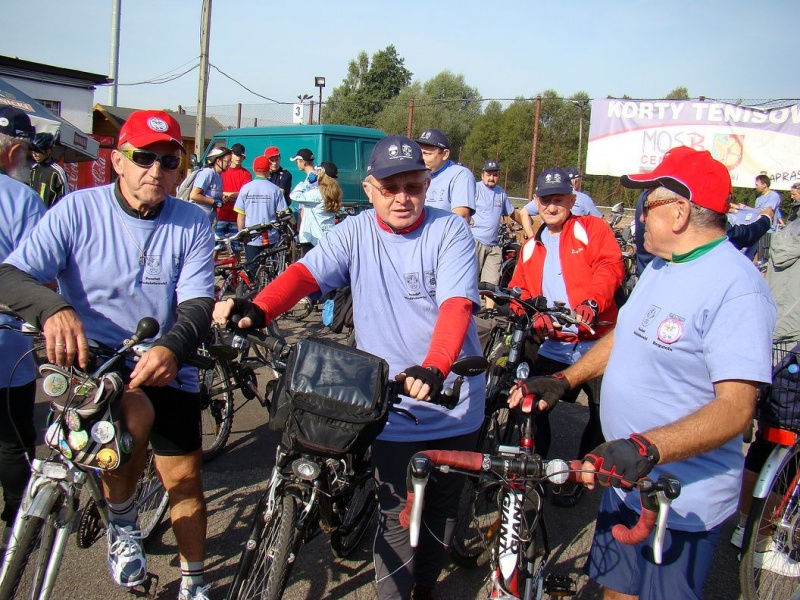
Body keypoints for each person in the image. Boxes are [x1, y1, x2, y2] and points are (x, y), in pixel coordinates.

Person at [213, 135, 484, 600]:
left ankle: (423, 587)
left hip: (450, 397)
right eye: (391, 187)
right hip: (394, 403)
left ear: (427, 184)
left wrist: (436, 367)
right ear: (372, 187)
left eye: (414, 186)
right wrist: (259, 308)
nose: (403, 198)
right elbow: (306, 274)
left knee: (439, 509)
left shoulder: (449, 231)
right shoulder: (356, 230)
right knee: (397, 519)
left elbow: (457, 305)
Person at [509, 146, 776, 600]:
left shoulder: (737, 288)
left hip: (679, 500)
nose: (639, 214)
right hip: (626, 482)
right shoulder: (661, 267)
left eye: (647, 202)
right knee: (615, 590)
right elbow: (623, 335)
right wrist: (566, 379)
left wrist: (647, 447)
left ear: (679, 213)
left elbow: (736, 410)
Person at [0, 109, 215, 600]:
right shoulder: (77, 209)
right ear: (118, 160)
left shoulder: (194, 222)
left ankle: (195, 582)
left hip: (164, 356)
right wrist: (53, 308)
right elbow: (10, 274)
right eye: (143, 158)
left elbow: (199, 303)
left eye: (168, 161)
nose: (155, 172)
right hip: (92, 357)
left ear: (180, 168)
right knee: (129, 415)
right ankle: (123, 522)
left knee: (184, 478)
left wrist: (172, 346)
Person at [508, 167, 624, 507]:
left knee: (603, 413)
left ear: (572, 200)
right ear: (537, 203)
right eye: (545, 199)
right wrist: (531, 311)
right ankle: (536, 469)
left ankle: (580, 473)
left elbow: (610, 266)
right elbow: (520, 289)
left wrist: (592, 302)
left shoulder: (592, 229)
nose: (552, 205)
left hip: (598, 341)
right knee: (531, 406)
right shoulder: (532, 245)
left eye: (559, 199)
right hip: (557, 344)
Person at [730, 209, 800, 560]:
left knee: (769, 442)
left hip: (776, 346)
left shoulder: (785, 236)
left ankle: (746, 525)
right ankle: (762, 538)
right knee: (785, 446)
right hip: (795, 350)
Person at [0, 107, 44, 551]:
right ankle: (18, 527)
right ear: (14, 150)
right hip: (6, 338)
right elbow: (40, 279)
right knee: (12, 440)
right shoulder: (19, 199)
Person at [471, 160, 514, 305]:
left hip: (494, 245)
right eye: (488, 174)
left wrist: (527, 225)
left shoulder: (501, 193)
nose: (491, 178)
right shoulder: (474, 188)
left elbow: (512, 212)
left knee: (492, 283)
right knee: (470, 279)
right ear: (482, 175)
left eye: (495, 175)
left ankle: (489, 315)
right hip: (474, 241)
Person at [233, 155, 287, 265]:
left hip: (251, 237)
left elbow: (241, 215)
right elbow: (283, 213)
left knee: (252, 272)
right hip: (270, 237)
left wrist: (241, 233)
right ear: (269, 170)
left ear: (253, 169)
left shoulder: (245, 188)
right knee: (271, 270)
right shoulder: (275, 189)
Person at [416, 128, 475, 221]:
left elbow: (461, 217)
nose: (422, 158)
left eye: (427, 154)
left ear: (445, 154)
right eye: (420, 153)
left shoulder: (460, 175)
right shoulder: (418, 174)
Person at [290, 160, 342, 256]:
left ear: (322, 175)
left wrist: (307, 182)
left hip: (312, 239)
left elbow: (294, 195)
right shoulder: (334, 193)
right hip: (326, 238)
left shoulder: (316, 194)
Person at [216, 143, 252, 243]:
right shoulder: (222, 171)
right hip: (220, 215)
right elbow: (217, 193)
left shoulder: (246, 174)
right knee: (217, 247)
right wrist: (233, 195)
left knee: (236, 248)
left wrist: (226, 194)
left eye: (241, 156)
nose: (239, 158)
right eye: (237, 155)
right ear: (231, 154)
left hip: (236, 217)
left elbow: (243, 196)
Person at [189, 145, 232, 225]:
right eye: (227, 161)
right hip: (198, 219)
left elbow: (211, 194)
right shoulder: (208, 173)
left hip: (209, 219)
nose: (229, 164)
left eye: (230, 162)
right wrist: (214, 202)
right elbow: (194, 195)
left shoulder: (218, 176)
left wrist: (221, 198)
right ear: (218, 161)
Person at [28, 131, 70, 208]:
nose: (34, 154)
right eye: (33, 151)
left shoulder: (57, 172)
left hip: (51, 216)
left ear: (48, 151)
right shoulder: (33, 169)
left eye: (38, 151)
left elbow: (66, 199)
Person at [754, 173, 783, 262]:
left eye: (757, 185)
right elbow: (755, 212)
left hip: (768, 230)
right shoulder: (758, 199)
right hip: (758, 228)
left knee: (765, 257)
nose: (755, 187)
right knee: (758, 254)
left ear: (764, 185)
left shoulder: (773, 196)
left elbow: (768, 210)